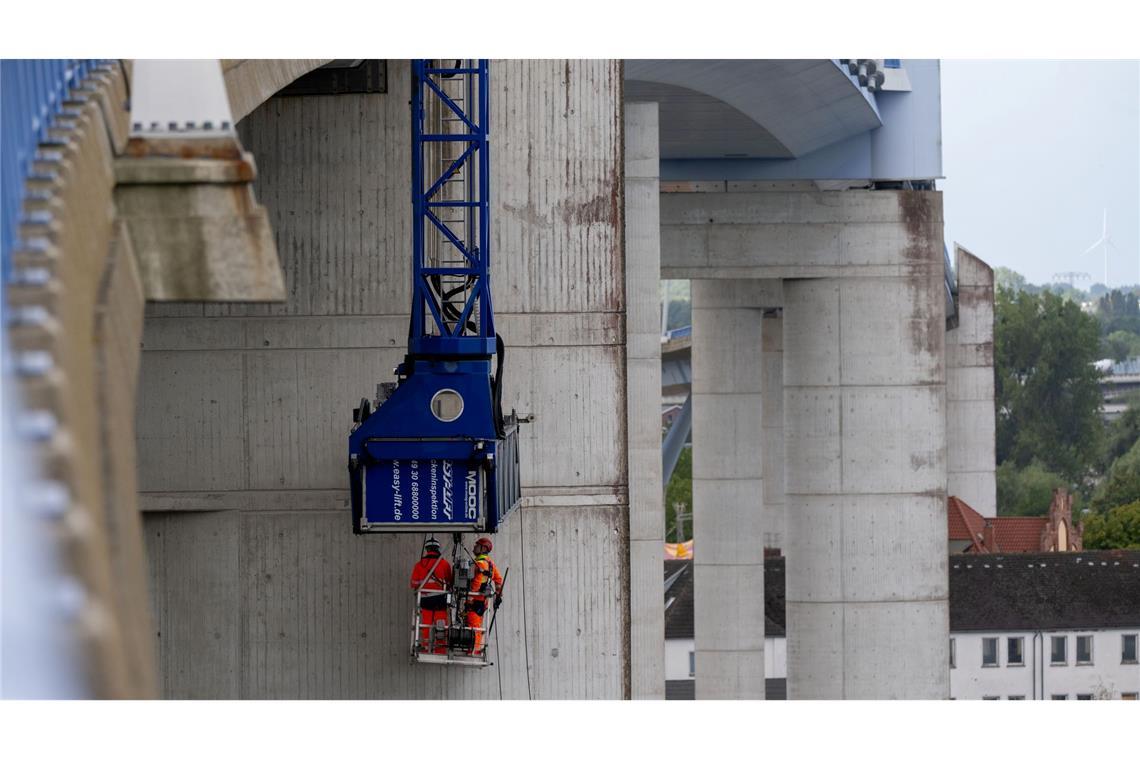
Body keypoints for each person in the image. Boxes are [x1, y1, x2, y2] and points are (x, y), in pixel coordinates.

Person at [410, 537, 453, 654]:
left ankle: (426, 646)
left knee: (426, 624)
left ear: (427, 549)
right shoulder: (444, 564)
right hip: (441, 600)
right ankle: (440, 648)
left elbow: (413, 583)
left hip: (425, 600)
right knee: (441, 624)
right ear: (438, 549)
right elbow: (450, 582)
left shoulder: (419, 565)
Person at [464, 536, 503, 655]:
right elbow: (498, 579)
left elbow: (477, 582)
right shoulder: (490, 564)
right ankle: (474, 648)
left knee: (473, 626)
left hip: (474, 601)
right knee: (476, 625)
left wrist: (470, 595)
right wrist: (498, 594)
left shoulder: (480, 563)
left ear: (483, 548)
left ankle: (474, 650)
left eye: (477, 545)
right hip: (482, 602)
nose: (474, 547)